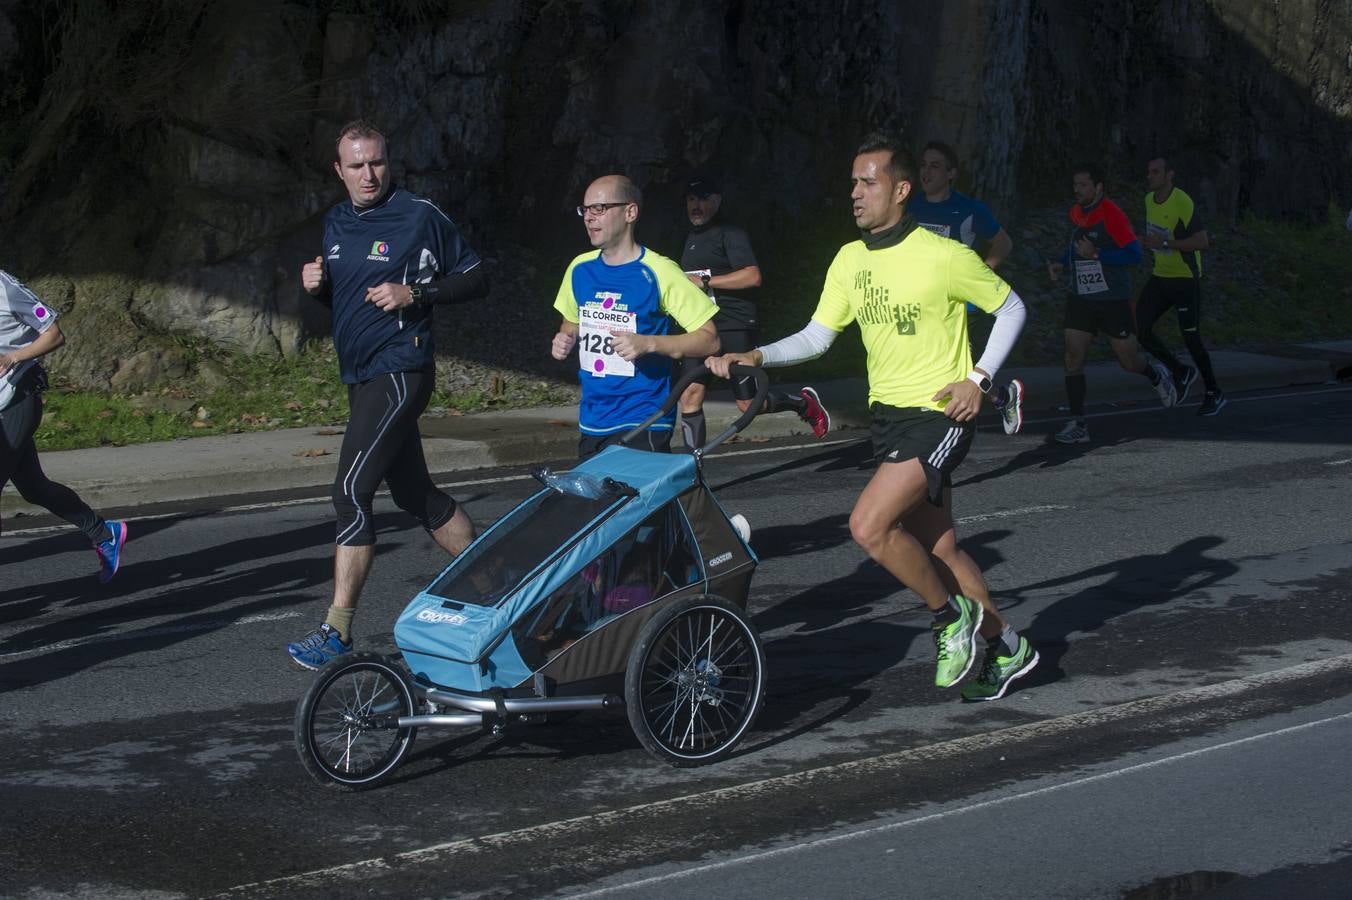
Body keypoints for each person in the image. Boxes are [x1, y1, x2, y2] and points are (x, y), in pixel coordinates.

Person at [708, 134, 1038, 702]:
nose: (855, 193)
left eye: (868, 182)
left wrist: (979, 379)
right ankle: (1009, 646)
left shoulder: (944, 256)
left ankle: (947, 618)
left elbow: (1011, 307)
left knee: (868, 526)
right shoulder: (850, 260)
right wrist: (756, 355)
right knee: (940, 551)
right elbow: (817, 336)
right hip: (889, 418)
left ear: (901, 189)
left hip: (939, 416)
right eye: (853, 183)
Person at [286, 119, 486, 669]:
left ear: (387, 162)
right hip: (360, 378)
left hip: (401, 371)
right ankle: (497, 584)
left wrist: (414, 291)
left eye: (376, 162)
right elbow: (345, 304)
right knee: (415, 495)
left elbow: (476, 276)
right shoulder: (335, 222)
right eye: (356, 166)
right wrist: (317, 289)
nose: (368, 174)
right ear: (339, 171)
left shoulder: (419, 215)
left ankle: (337, 630)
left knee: (350, 491)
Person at [551, 175, 720, 459]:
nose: (589, 218)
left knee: (637, 503)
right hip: (593, 417)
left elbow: (710, 340)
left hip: (644, 416)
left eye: (600, 208)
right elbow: (572, 322)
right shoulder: (579, 268)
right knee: (600, 503)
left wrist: (649, 344)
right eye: (585, 210)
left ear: (630, 212)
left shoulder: (660, 271)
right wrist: (566, 337)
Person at [674, 174, 831, 450]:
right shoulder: (689, 238)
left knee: (747, 404)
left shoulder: (731, 233)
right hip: (700, 328)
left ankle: (801, 403)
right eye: (691, 199)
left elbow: (752, 276)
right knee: (690, 395)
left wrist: (706, 281)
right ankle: (690, 471)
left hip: (734, 324)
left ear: (717, 201)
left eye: (703, 199)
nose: (696, 205)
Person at [0, 270, 126, 582]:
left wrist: (13, 357)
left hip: (19, 398)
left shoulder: (6, 288)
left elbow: (54, 334)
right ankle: (103, 532)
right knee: (33, 487)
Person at [1048, 164, 1178, 444]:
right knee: (1072, 357)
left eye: (1084, 185)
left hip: (1112, 300)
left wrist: (1098, 254)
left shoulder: (1112, 215)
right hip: (1081, 298)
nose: (1078, 190)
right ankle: (1078, 423)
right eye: (1076, 185)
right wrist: (1062, 264)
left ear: (1098, 188)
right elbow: (1076, 249)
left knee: (1128, 361)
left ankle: (1156, 375)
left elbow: (1133, 255)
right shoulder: (1075, 214)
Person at [912, 141, 1025, 435]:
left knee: (961, 371)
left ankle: (945, 434)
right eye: (923, 165)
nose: (926, 171)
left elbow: (1004, 243)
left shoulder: (970, 209)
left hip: (963, 306)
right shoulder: (909, 206)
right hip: (921, 303)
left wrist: (982, 273)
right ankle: (1002, 396)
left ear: (951, 174)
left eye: (935, 166)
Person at [1138, 156, 1225, 416]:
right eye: (1148, 172)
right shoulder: (1148, 200)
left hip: (1185, 278)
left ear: (1169, 175)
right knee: (1139, 329)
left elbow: (1202, 241)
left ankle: (1214, 392)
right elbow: (1156, 237)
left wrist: (1164, 244)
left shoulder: (1182, 201)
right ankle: (1180, 370)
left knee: (1191, 337)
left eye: (1156, 172)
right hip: (1160, 276)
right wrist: (1145, 242)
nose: (1150, 177)